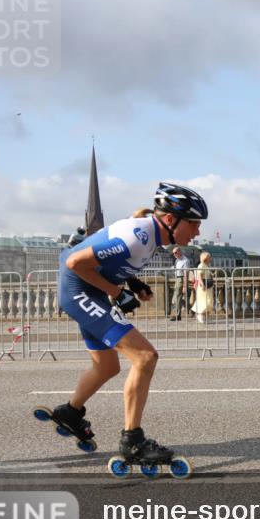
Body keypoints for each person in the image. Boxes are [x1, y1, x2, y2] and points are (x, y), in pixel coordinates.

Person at [46, 182, 207, 473]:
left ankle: (70, 412)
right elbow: (74, 262)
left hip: (87, 289)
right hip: (79, 290)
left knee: (107, 367)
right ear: (170, 220)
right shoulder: (138, 237)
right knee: (145, 357)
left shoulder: (151, 235)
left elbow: (115, 263)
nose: (197, 232)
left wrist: (133, 284)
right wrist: (117, 293)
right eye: (194, 224)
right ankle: (133, 441)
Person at [169, 246, 192, 321]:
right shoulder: (177, 260)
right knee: (178, 297)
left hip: (181, 279)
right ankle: (191, 310)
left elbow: (186, 274)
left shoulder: (185, 261)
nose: (174, 254)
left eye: (175, 253)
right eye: (173, 253)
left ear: (179, 252)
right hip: (177, 279)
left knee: (177, 297)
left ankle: (178, 315)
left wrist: (185, 286)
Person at [192, 251, 214, 323]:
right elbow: (199, 276)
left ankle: (206, 317)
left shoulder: (206, 265)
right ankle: (200, 315)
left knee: (208, 301)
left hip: (208, 286)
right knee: (203, 302)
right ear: (206, 258)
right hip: (203, 286)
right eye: (209, 257)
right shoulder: (201, 265)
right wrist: (202, 284)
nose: (211, 259)